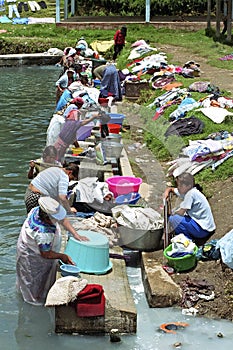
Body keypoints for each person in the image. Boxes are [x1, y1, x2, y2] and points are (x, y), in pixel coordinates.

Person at [16, 196, 88, 305]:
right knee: (32, 282)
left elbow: (63, 219)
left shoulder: (37, 210)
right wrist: (62, 256)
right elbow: (46, 254)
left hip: (30, 245)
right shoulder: (43, 232)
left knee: (33, 280)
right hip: (32, 255)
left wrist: (75, 234)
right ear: (47, 218)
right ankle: (34, 303)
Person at [164, 172, 216, 243]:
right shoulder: (189, 190)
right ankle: (187, 235)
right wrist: (167, 192)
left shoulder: (190, 194)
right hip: (208, 227)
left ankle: (187, 240)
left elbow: (180, 213)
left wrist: (169, 214)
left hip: (203, 230)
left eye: (180, 186)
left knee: (173, 218)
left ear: (188, 186)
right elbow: (171, 189)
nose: (178, 188)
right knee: (175, 217)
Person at [53, 97, 101, 162]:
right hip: (61, 144)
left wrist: (77, 147)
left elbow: (74, 138)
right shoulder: (72, 123)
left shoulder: (70, 123)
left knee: (59, 157)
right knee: (57, 157)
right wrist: (93, 117)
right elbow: (82, 123)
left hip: (62, 143)